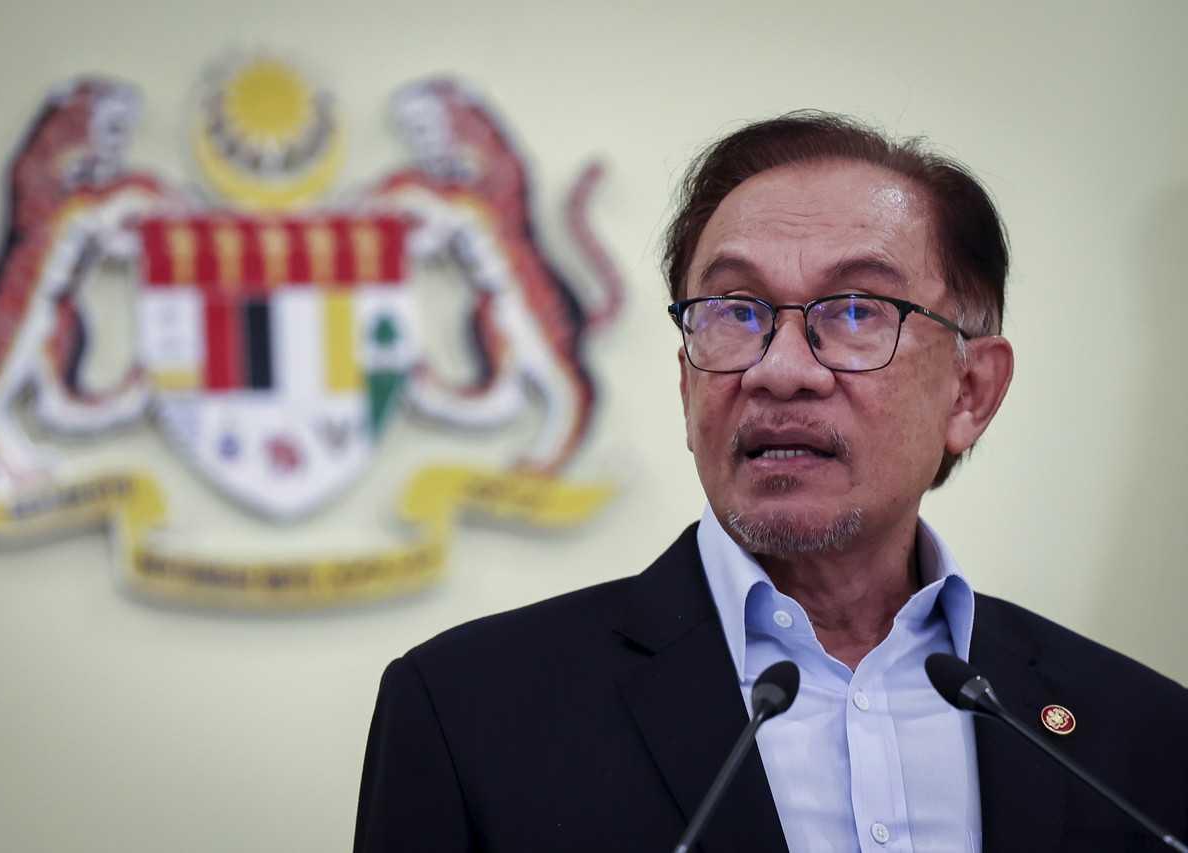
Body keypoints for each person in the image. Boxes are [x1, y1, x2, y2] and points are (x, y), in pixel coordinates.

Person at [353, 112, 1188, 852]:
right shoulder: (466, 714)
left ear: (970, 392)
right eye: (734, 311)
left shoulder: (1137, 733)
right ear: (688, 385)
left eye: (858, 309)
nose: (780, 371)